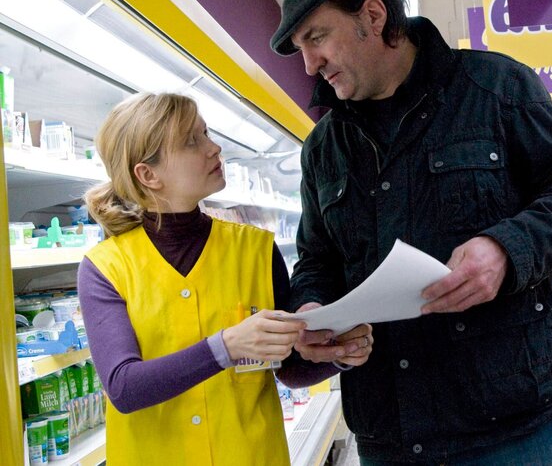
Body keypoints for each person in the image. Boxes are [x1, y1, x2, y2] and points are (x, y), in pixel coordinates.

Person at [269, 0, 552, 464]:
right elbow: (317, 259)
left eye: (316, 37)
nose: (310, 64)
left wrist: (505, 250)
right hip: (392, 432)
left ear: (373, 17)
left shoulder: (496, 88)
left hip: (513, 425)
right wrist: (312, 312)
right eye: (300, 47)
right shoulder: (324, 147)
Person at [77, 92, 373, 466]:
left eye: (206, 133)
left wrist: (338, 355)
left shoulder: (255, 249)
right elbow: (124, 387)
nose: (214, 148)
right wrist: (227, 347)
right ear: (148, 174)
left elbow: (289, 368)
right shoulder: (105, 267)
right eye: (192, 141)